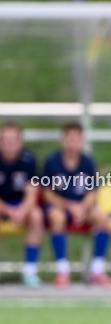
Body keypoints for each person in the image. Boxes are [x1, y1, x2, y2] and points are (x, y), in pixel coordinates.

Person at [42, 122, 111, 288]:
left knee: (103, 218)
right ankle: (62, 271)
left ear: (81, 140)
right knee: (56, 217)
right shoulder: (52, 161)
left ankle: (97, 270)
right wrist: (69, 206)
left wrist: (82, 207)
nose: (72, 143)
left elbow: (92, 191)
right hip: (61, 206)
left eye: (75, 139)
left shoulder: (87, 162)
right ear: (62, 140)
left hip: (83, 208)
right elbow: (47, 193)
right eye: (68, 139)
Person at [0, 122, 44, 287]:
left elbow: (32, 191)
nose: (9, 145)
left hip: (21, 203)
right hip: (2, 204)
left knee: (37, 215)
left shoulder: (29, 160)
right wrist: (9, 211)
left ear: (20, 142)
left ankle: (30, 270)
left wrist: (22, 211)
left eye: (13, 141)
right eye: (5, 140)